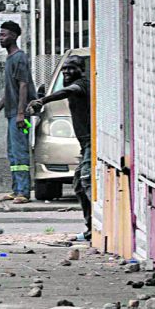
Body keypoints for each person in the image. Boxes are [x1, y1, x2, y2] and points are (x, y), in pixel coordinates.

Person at [29, 53, 93, 237]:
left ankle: (99, 224)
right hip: (84, 143)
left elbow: (68, 91)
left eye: (71, 68)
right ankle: (91, 229)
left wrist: (43, 100)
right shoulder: (75, 86)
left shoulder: (81, 85)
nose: (66, 72)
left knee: (86, 181)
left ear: (80, 70)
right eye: (64, 68)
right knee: (80, 186)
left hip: (90, 143)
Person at [0, 20, 36, 201]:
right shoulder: (10, 59)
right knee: (12, 152)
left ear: (14, 36)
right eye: (0, 35)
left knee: (20, 151)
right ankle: (16, 188)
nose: (1, 38)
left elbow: (23, 85)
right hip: (11, 114)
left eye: (4, 35)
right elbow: (10, 89)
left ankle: (24, 191)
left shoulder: (19, 57)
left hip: (20, 116)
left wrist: (20, 113)